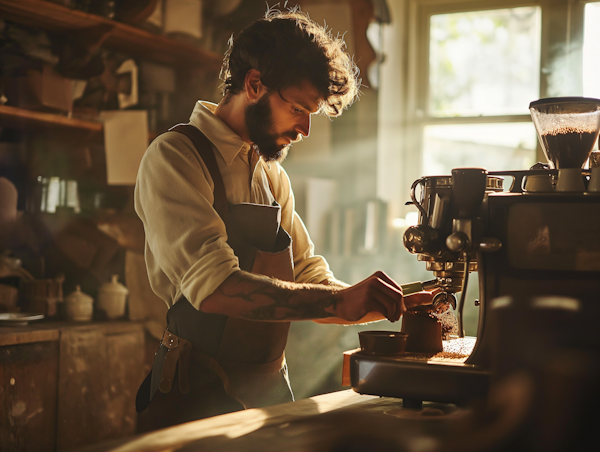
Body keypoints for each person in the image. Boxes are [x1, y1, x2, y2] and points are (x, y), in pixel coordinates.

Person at [134, 8, 432, 432]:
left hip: (270, 394)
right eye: (297, 108)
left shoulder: (272, 175)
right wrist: (338, 302)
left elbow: (309, 276)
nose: (306, 129)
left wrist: (388, 301)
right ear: (254, 85)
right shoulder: (175, 157)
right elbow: (216, 289)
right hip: (195, 395)